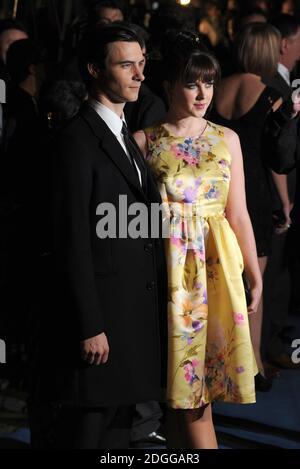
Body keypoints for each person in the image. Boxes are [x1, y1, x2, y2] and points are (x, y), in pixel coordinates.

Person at [31, 24, 166, 449]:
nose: (139, 74)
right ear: (94, 69)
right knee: (88, 435)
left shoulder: (124, 134)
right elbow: (69, 241)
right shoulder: (76, 141)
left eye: (142, 64)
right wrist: (89, 324)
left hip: (129, 318)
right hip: (101, 326)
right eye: (126, 64)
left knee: (118, 436)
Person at [134, 30, 261, 449]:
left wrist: (253, 272)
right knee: (182, 394)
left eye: (208, 82)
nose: (203, 92)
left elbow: (237, 213)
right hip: (166, 273)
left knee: (198, 390)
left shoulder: (227, 140)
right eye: (191, 83)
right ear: (168, 85)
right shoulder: (144, 142)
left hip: (217, 272)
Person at [213, 23, 287, 390]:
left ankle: (223, 361)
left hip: (216, 191)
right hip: (254, 194)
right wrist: (285, 203)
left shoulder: (217, 87)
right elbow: (275, 159)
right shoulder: (271, 93)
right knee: (253, 283)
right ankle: (253, 363)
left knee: (221, 282)